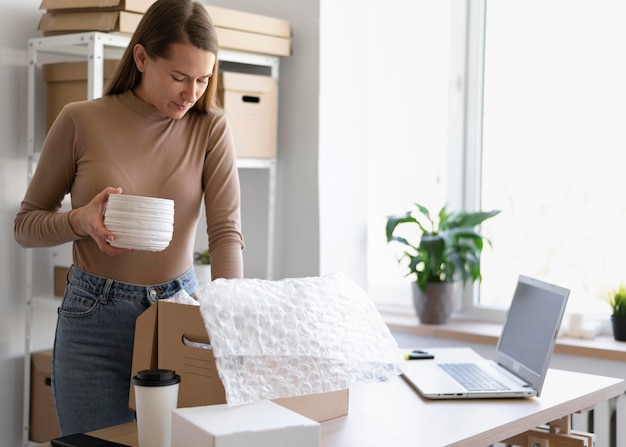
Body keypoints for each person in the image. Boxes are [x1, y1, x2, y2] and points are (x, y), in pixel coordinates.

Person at [14, 0, 244, 436]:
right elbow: (25, 226)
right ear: (141, 58)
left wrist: (227, 315)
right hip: (92, 320)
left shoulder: (210, 128)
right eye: (178, 76)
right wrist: (80, 220)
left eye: (202, 79)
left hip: (179, 314)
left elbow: (226, 233)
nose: (190, 92)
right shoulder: (80, 120)